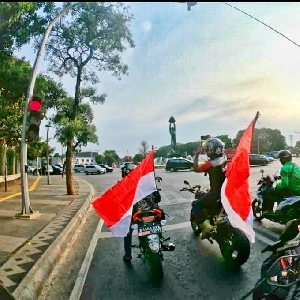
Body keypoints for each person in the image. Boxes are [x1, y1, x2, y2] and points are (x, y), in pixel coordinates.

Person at [121, 164, 163, 263]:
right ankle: (159, 239)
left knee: (127, 231)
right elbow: (158, 199)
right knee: (159, 220)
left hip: (136, 215)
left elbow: (123, 204)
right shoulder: (148, 184)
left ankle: (128, 254)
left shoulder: (123, 187)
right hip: (151, 213)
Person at [193, 137, 227, 239]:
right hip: (227, 193)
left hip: (215, 194)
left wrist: (197, 155)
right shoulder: (225, 159)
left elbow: (196, 169)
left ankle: (206, 227)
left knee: (196, 204)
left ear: (211, 150)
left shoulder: (210, 164)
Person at [262, 149, 300, 214]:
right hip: (298, 190)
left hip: (290, 190)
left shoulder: (284, 168)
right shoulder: (295, 166)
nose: (280, 160)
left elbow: (285, 184)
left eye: (280, 158)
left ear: (283, 159)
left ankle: (268, 211)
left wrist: (277, 186)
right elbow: (293, 176)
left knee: (270, 192)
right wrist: (279, 177)